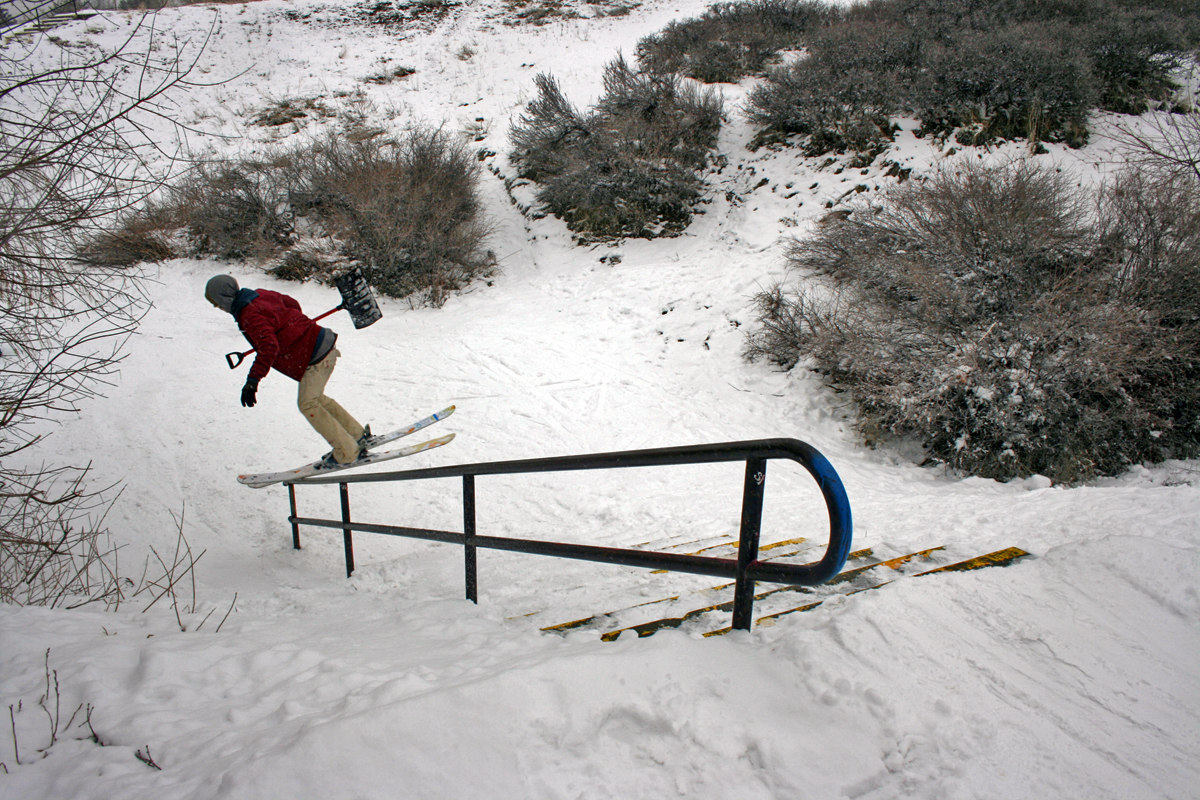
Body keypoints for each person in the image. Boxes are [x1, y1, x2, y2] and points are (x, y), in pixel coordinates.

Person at [205, 275, 369, 467]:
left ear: (224, 298)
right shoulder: (259, 294)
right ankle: (356, 435)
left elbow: (268, 347)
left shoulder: (248, 315)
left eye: (216, 303)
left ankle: (347, 453)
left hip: (317, 356)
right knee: (316, 399)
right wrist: (291, 326)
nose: (218, 307)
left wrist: (252, 381)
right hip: (322, 344)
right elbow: (291, 303)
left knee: (308, 403)